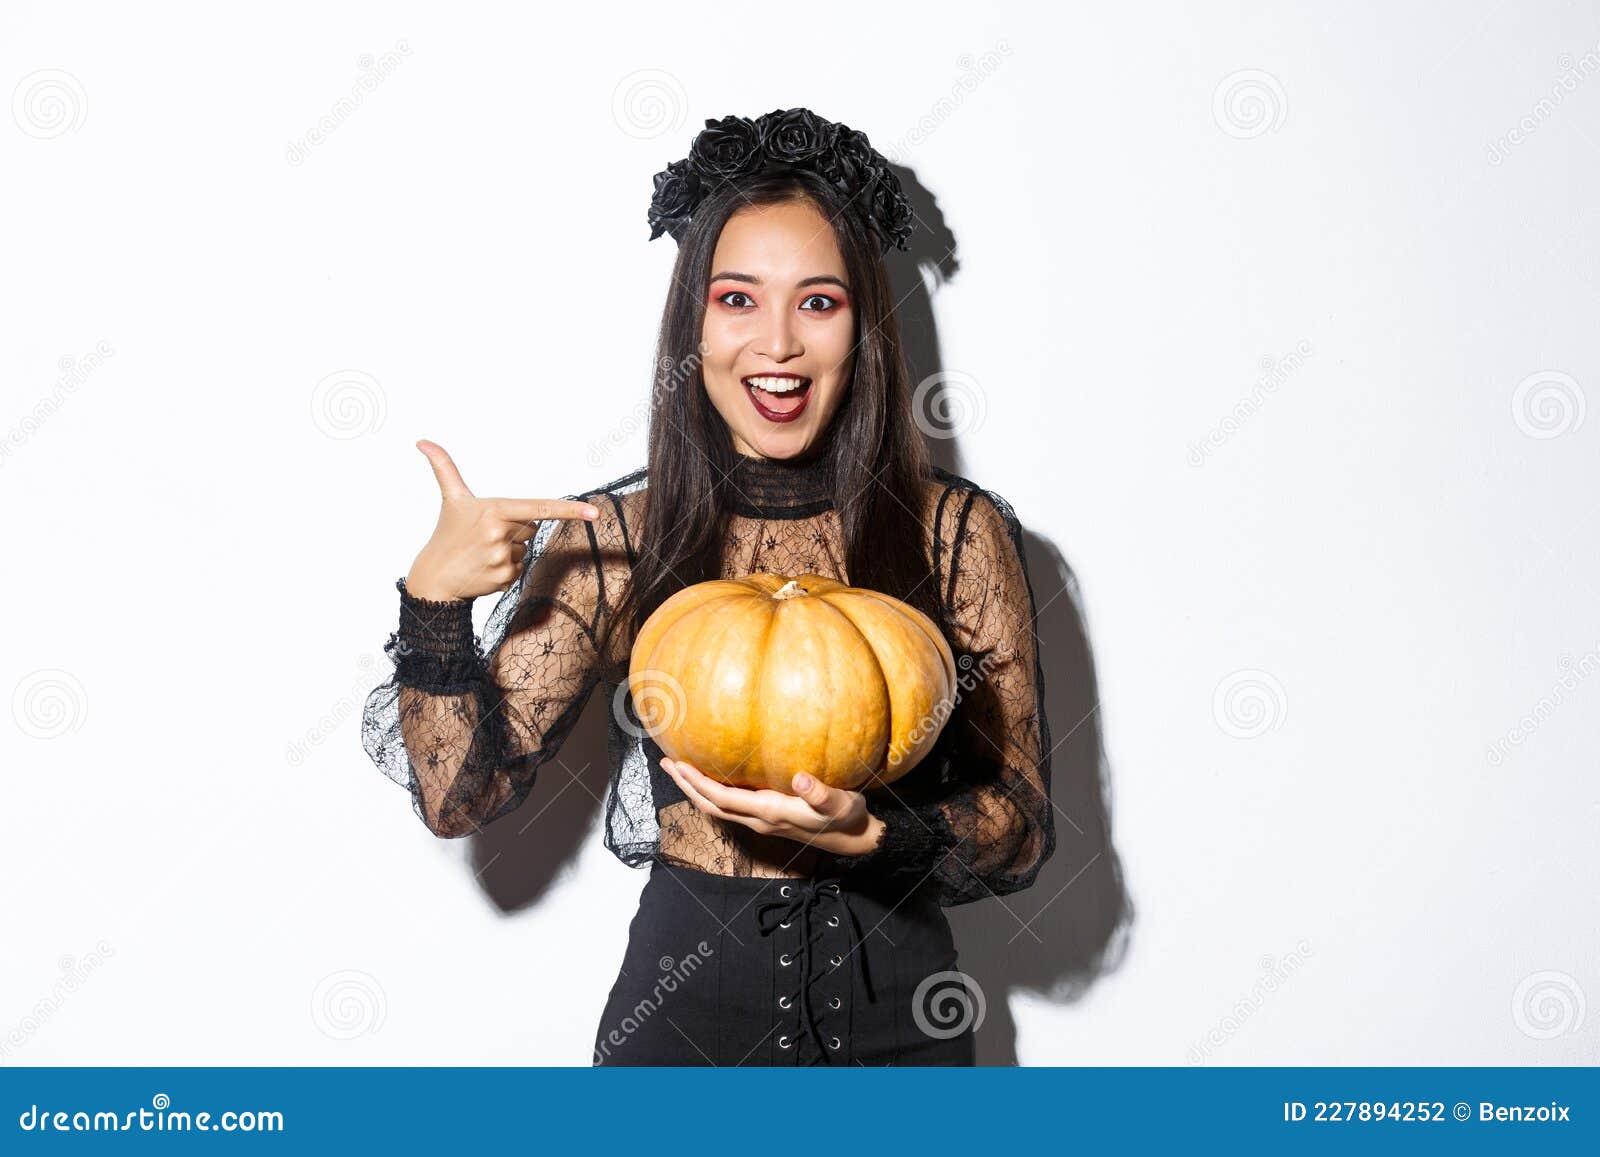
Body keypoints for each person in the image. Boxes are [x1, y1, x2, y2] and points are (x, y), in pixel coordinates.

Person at [361, 107, 1056, 1066]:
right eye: (738, 299)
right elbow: (459, 798)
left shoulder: (955, 535)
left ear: (865, 326)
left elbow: (1018, 824)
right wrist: (435, 608)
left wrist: (873, 837)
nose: (775, 343)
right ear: (694, 321)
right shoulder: (622, 538)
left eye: (819, 302)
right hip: (681, 1030)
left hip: (906, 1030)